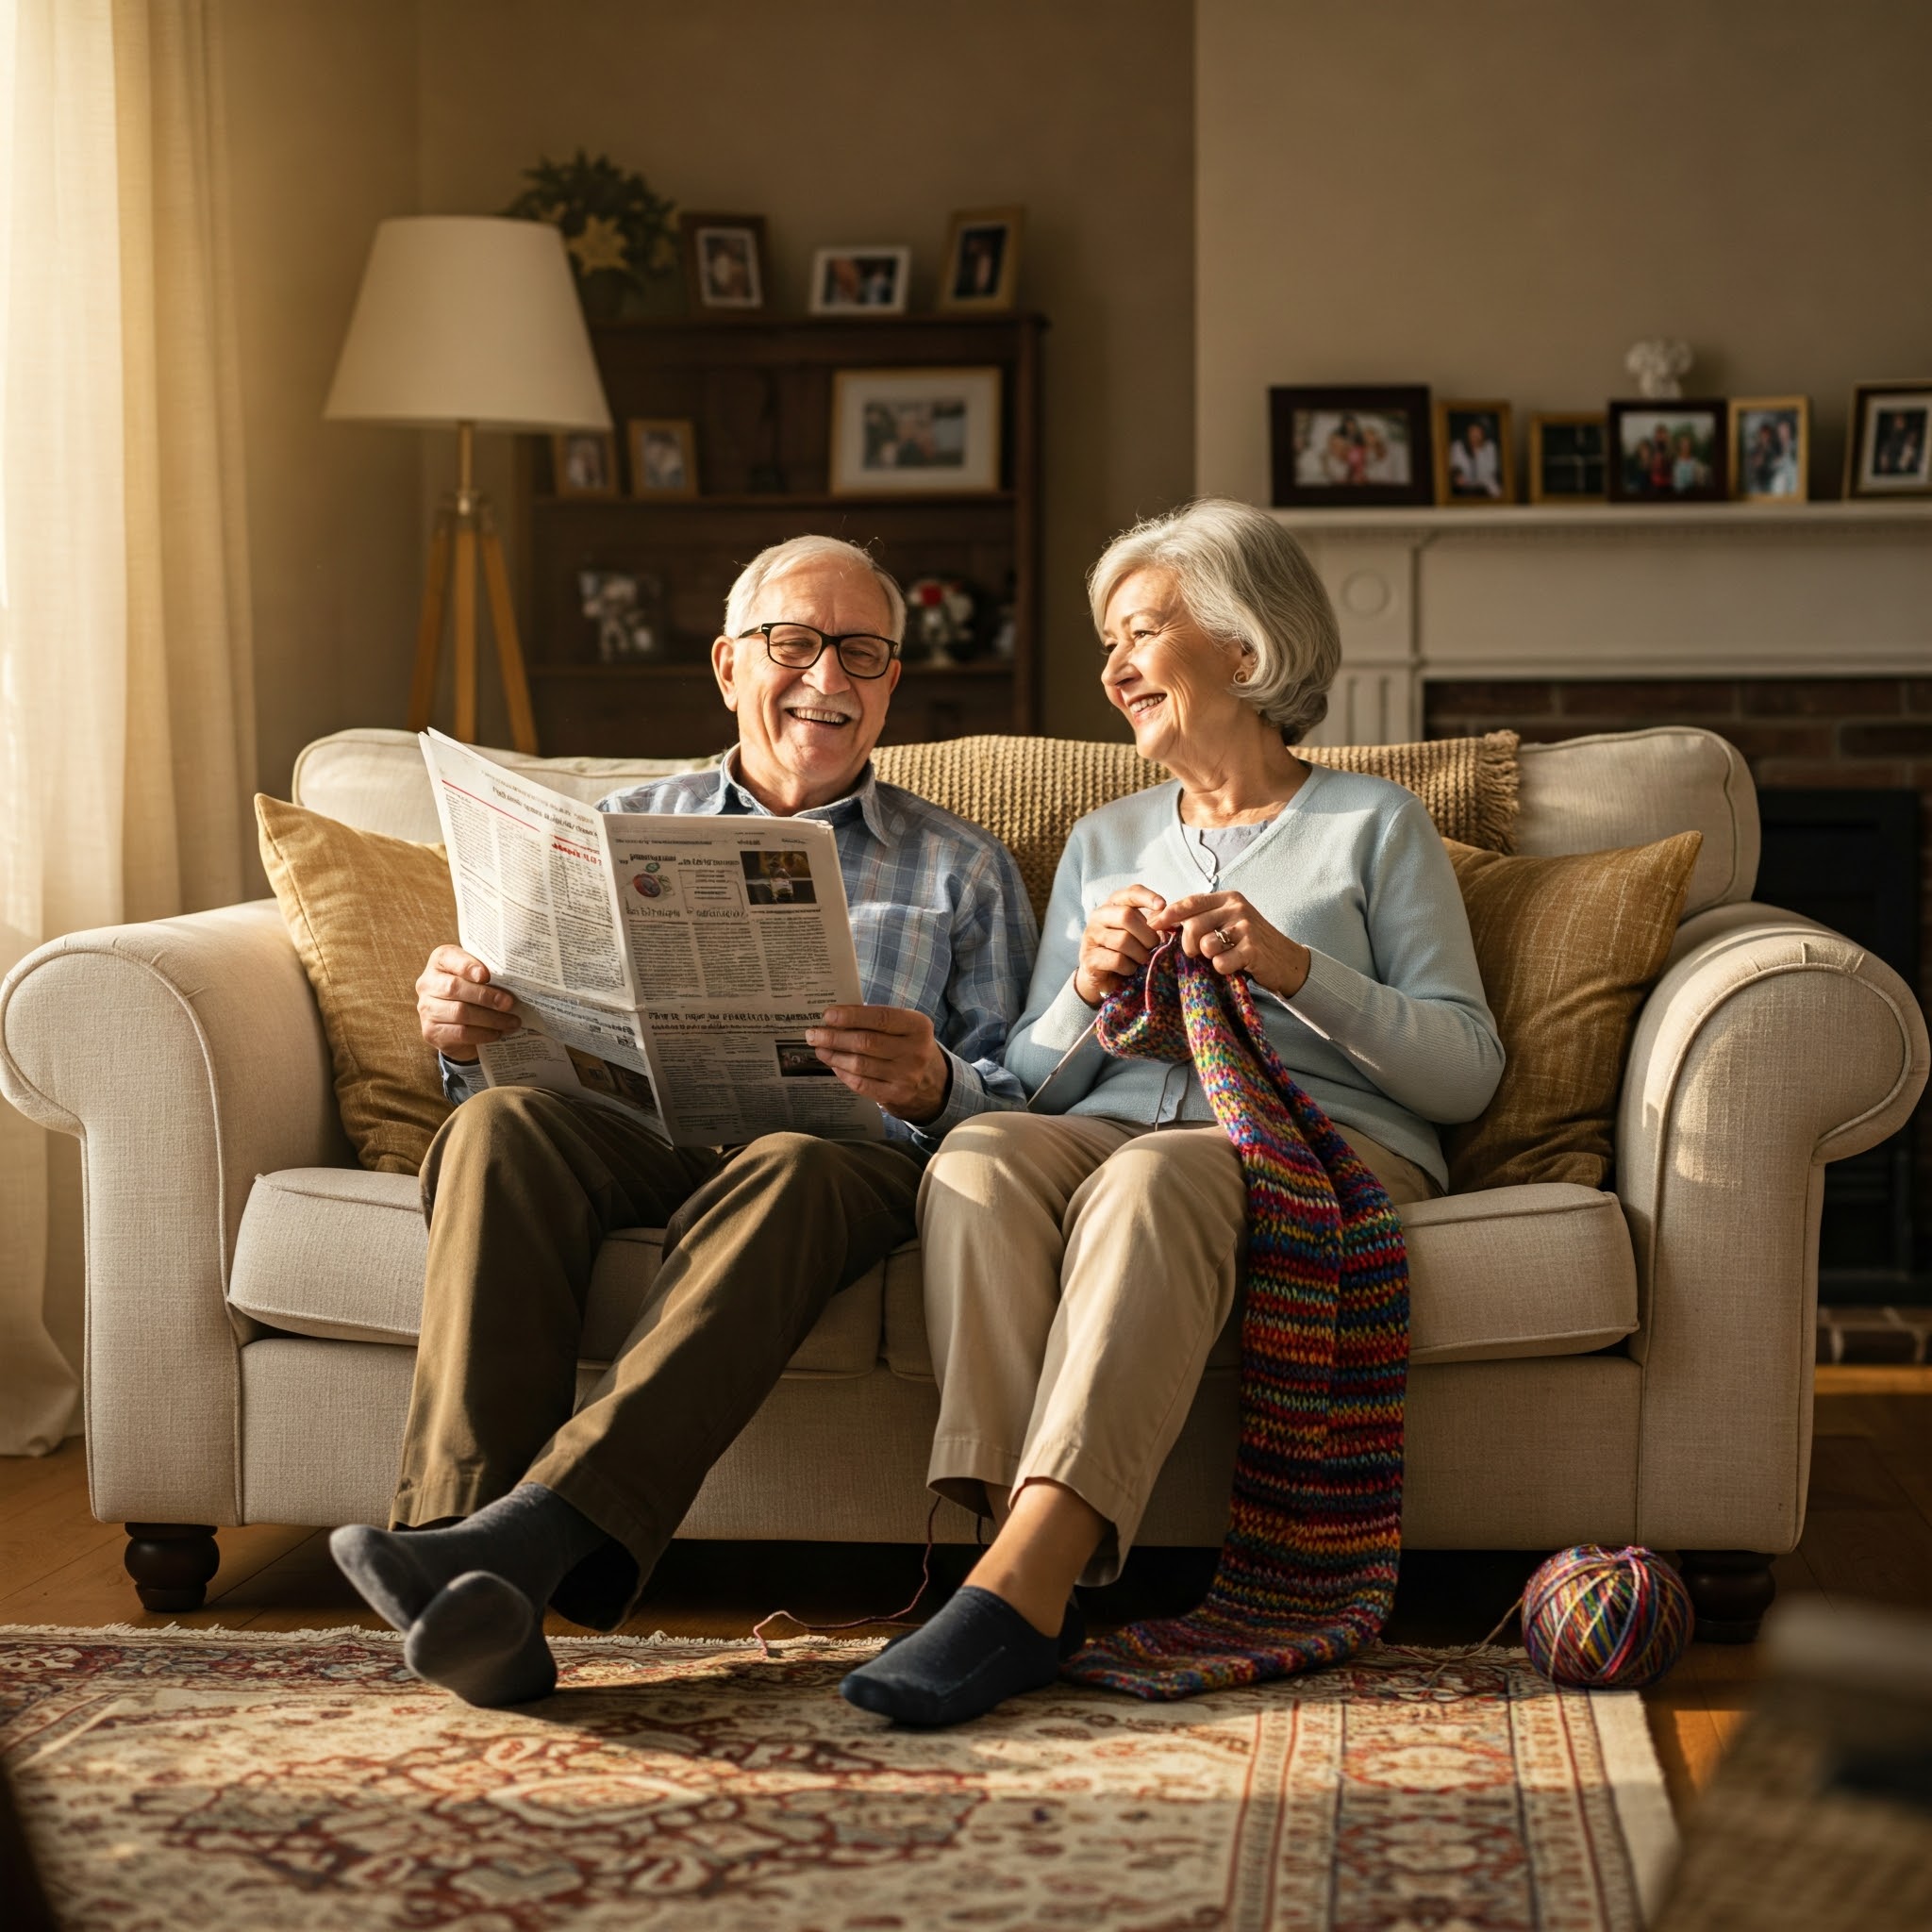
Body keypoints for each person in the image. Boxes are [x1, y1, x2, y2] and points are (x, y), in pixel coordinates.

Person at [330, 535, 1037, 1707]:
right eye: (794, 642)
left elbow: (1020, 1094)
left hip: (841, 1157)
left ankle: (517, 1548)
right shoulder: (615, 826)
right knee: (497, 1129)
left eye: (862, 652)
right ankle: (463, 1570)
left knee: (797, 1159)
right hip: (637, 1131)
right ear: (726, 665)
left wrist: (934, 1083)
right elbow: (516, 1046)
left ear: (891, 682)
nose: (829, 677)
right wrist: (465, 1034)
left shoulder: (961, 865)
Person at [840, 498, 1504, 1727]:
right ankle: (1010, 1566)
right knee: (980, 1158)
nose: (1113, 667)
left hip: (1311, 1141)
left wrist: (1299, 970)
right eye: (1107, 641)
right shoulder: (1107, 840)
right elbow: (1026, 1088)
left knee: (1155, 1177)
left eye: (1141, 631)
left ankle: (1016, 1593)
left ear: (1245, 652)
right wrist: (1090, 995)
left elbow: (1465, 1070)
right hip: (1119, 1127)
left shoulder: (1374, 825)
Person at [1448, 417, 1502, 496]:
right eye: (1472, 431)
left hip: (1487, 488)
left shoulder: (1490, 447)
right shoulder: (1457, 446)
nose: (1475, 435)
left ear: (1484, 433)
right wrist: (1457, 475)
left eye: (1478, 432)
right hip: (1463, 490)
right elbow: (1454, 467)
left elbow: (1492, 471)